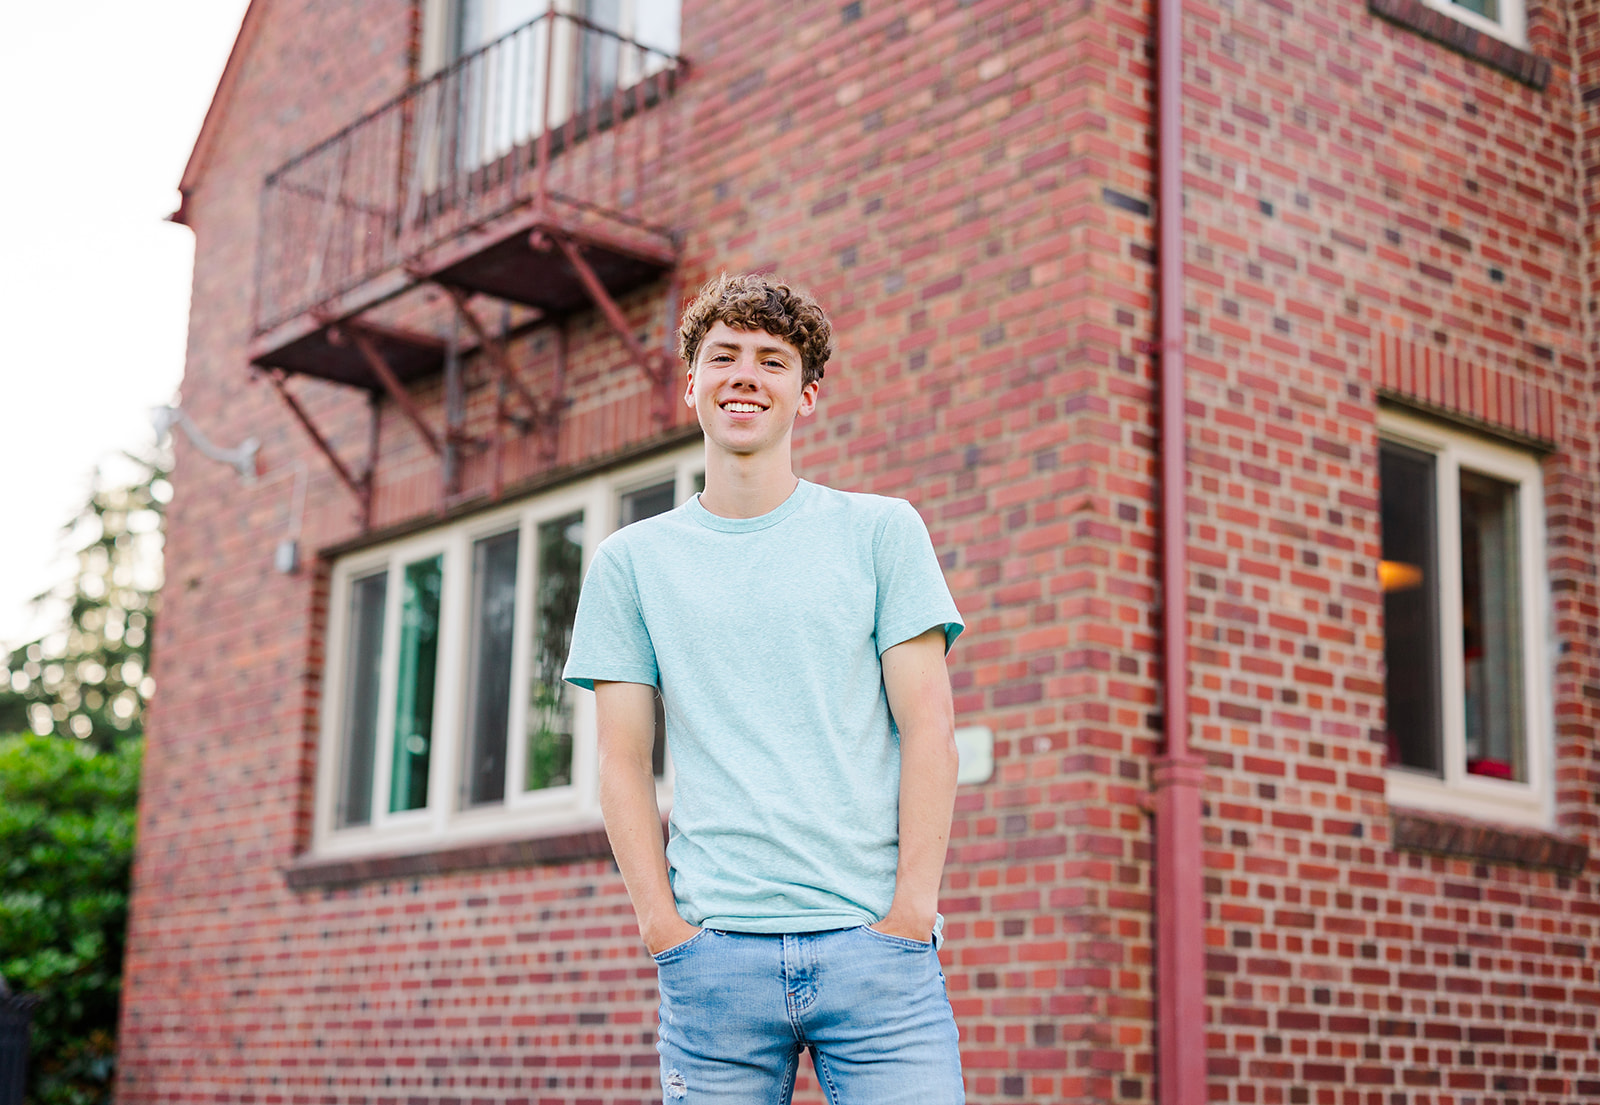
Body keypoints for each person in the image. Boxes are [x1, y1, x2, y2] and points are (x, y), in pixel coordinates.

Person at [563, 273, 965, 1102]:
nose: (745, 374)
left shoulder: (882, 532)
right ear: (692, 386)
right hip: (716, 963)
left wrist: (911, 912)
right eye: (725, 356)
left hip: (874, 953)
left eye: (772, 361)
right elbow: (622, 760)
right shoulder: (631, 563)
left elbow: (930, 730)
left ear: (806, 395)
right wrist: (662, 929)